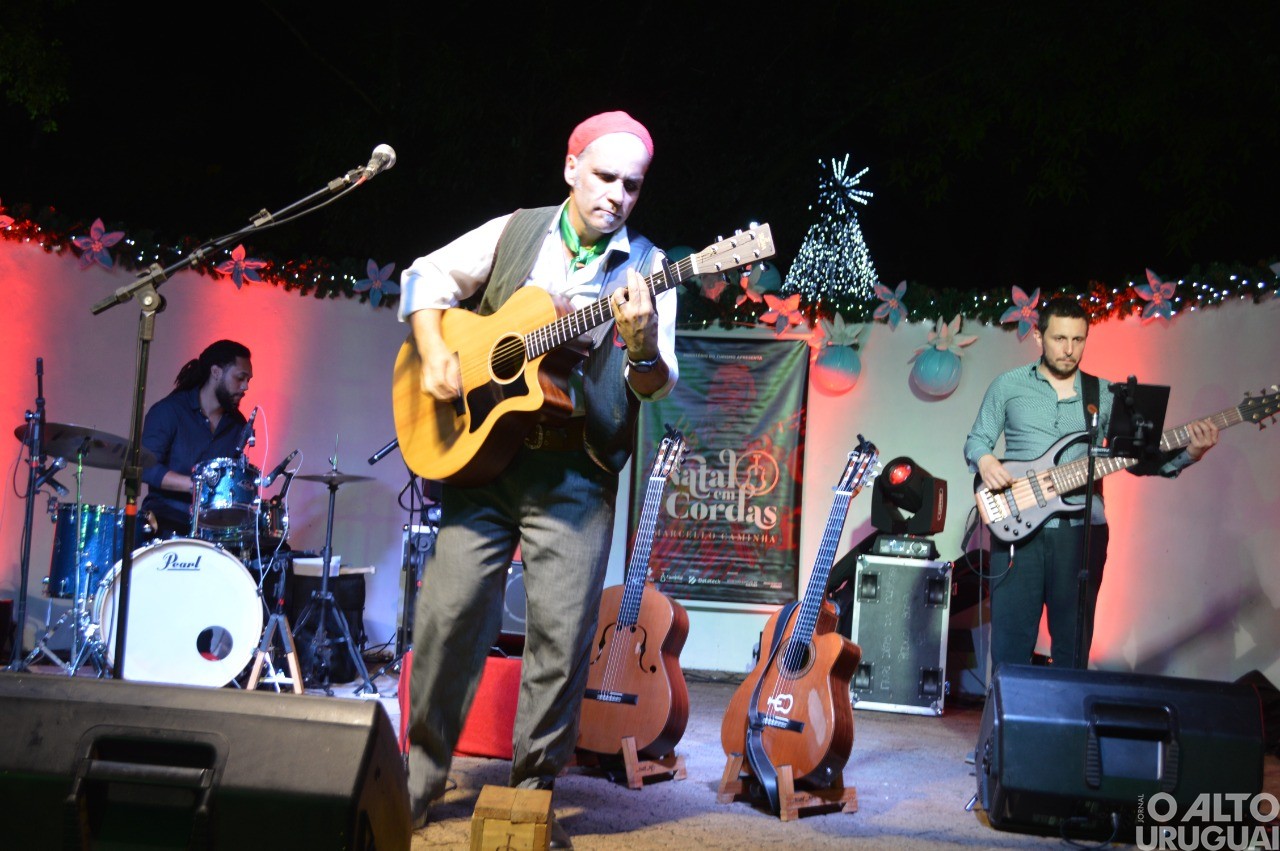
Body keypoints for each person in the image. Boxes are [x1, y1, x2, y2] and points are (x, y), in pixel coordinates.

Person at [397, 110, 677, 848]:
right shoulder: (517, 231)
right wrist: (435, 349)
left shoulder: (649, 269)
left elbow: (654, 383)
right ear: (571, 167)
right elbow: (425, 274)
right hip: (483, 458)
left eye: (633, 186)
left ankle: (528, 796)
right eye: (606, 177)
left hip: (574, 473)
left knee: (559, 638)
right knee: (447, 621)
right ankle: (417, 780)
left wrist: (642, 345)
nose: (618, 196)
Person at [963, 296, 1218, 672]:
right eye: (1059, 339)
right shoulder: (1008, 385)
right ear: (1039, 337)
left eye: (1078, 340)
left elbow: (1135, 459)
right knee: (1009, 646)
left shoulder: (1105, 394)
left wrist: (1190, 453)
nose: (1069, 350)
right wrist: (986, 462)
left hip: (1081, 534)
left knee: (1072, 647)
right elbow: (976, 441)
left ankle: (1068, 713)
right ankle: (1003, 713)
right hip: (1017, 529)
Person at [140, 339, 255, 541]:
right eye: (240, 378)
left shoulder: (238, 424)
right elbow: (146, 468)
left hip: (213, 526)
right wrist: (197, 486)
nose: (245, 386)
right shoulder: (169, 411)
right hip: (166, 520)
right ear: (216, 372)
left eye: (248, 380)